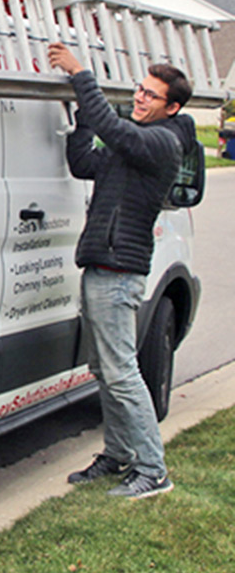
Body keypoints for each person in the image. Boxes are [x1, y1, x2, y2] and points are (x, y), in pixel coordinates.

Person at [48, 41, 197, 499]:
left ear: (171, 108)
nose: (140, 98)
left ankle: (153, 470)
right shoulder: (134, 144)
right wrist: (79, 119)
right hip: (100, 269)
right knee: (106, 369)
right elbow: (84, 163)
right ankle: (117, 455)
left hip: (118, 274)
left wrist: (81, 75)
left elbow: (116, 132)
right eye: (140, 89)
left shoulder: (160, 142)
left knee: (121, 373)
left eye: (151, 96)